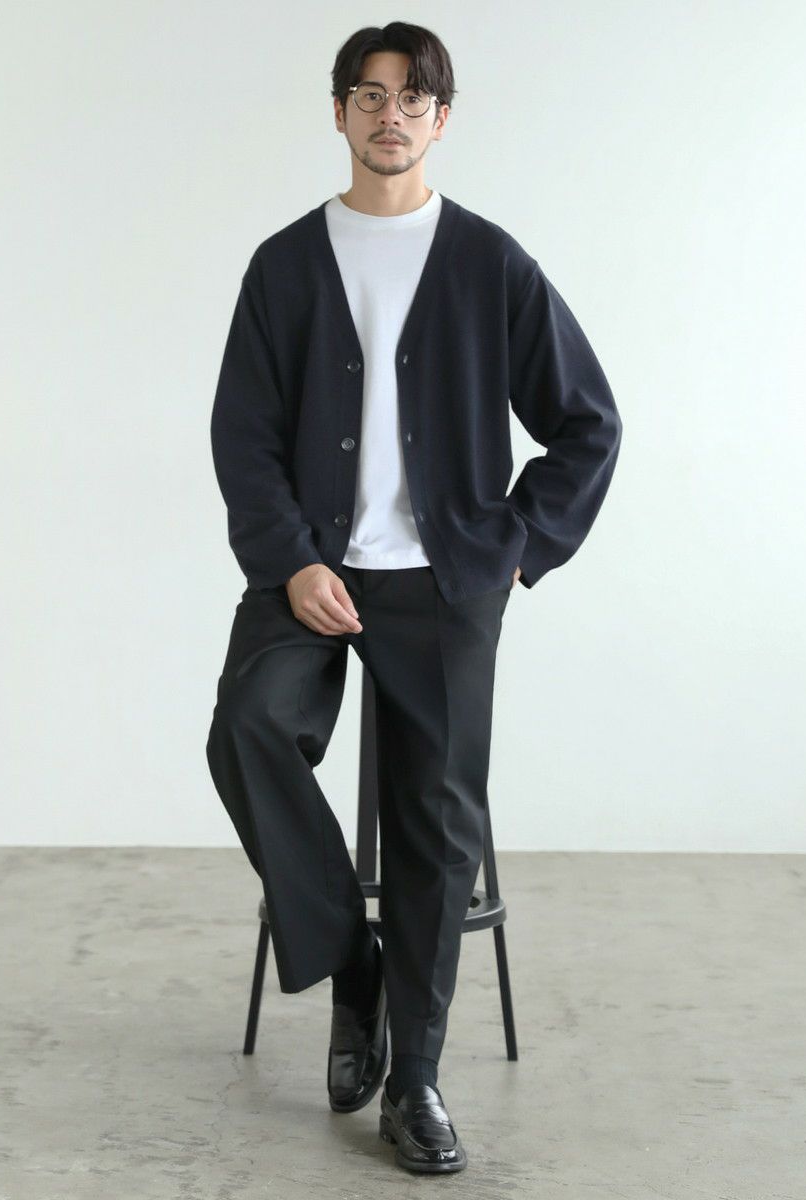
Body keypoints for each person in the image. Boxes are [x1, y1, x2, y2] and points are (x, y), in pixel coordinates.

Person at [206, 20, 622, 1175]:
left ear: (443, 117)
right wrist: (293, 561)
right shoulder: (285, 265)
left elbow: (587, 422)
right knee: (247, 728)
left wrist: (515, 550)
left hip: (442, 581)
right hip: (309, 569)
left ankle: (417, 1081)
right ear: (338, 110)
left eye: (412, 98)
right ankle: (355, 966)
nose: (389, 116)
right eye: (369, 94)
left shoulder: (489, 262)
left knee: (436, 816)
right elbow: (244, 437)